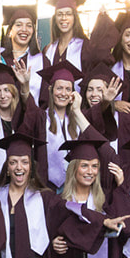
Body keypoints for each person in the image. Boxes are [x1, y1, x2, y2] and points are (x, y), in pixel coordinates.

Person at [39, 62, 89, 190]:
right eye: (59, 88)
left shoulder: (79, 118)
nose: (63, 93)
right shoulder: (41, 118)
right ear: (51, 90)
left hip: (74, 185)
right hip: (47, 186)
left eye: (68, 89)